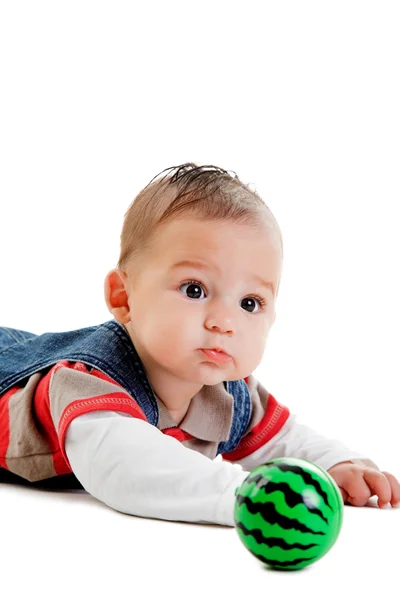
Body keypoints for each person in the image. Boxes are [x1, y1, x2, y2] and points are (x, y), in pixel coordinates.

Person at [0, 163, 399, 525]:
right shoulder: (88, 382)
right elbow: (125, 466)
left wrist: (334, 463)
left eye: (249, 303)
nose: (224, 322)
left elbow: (282, 438)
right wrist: (244, 494)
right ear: (124, 296)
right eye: (195, 290)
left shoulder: (229, 394)